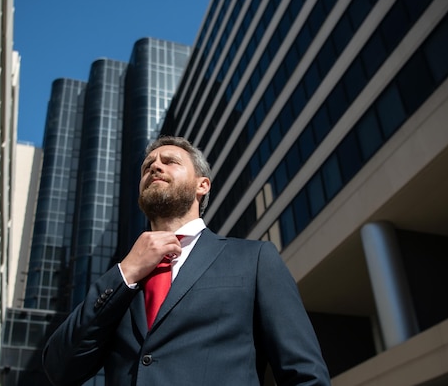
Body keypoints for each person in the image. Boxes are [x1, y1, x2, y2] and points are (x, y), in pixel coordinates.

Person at [42, 136, 330, 386]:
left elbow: (304, 373)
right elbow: (59, 369)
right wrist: (126, 271)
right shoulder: (122, 279)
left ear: (202, 185)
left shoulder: (254, 260)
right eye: (147, 166)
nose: (154, 166)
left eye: (170, 161)